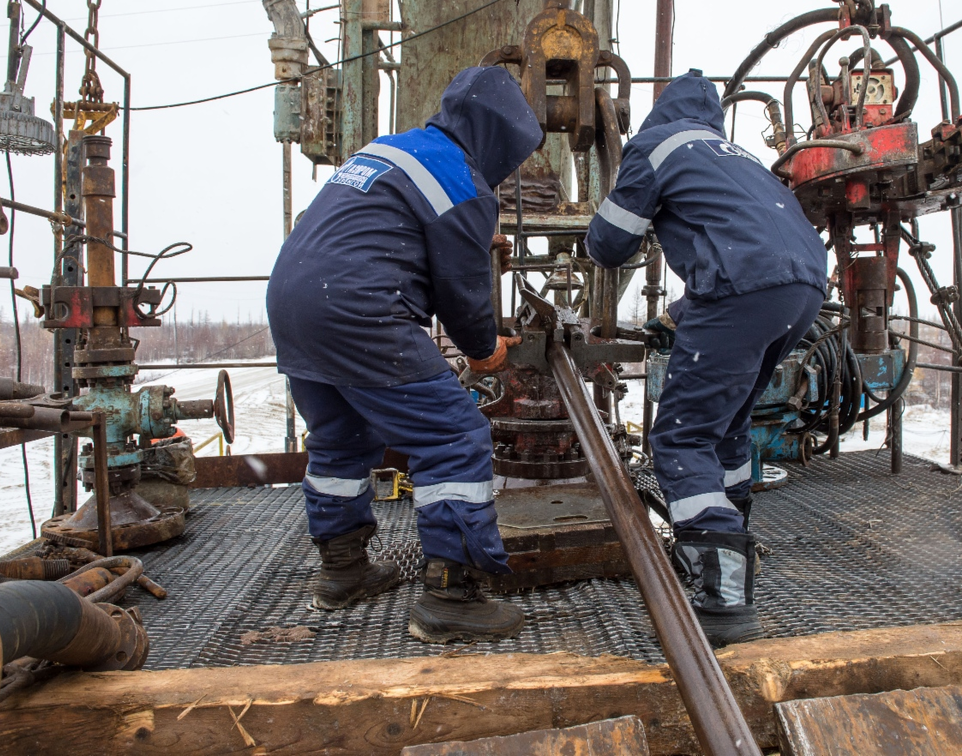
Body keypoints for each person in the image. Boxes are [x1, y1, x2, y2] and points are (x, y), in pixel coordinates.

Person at [266, 66, 542, 644]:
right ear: (497, 138)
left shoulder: (392, 149)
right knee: (454, 437)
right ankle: (452, 595)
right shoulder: (461, 179)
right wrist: (486, 348)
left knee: (342, 437)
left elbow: (380, 226)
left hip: (294, 301)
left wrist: (469, 230)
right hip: (356, 309)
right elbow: (464, 296)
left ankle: (342, 572)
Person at [585, 71, 828, 647]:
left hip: (742, 287)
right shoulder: (736, 155)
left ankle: (722, 596)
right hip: (805, 288)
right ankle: (729, 550)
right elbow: (745, 233)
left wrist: (596, 237)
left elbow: (610, 242)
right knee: (728, 426)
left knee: (681, 438)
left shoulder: (657, 145)